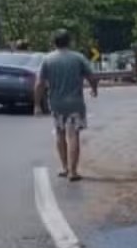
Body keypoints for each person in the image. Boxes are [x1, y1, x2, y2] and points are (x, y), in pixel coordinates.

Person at [34, 29, 99, 182]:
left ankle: (64, 167)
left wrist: (37, 104)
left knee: (60, 134)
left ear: (54, 42)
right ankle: (73, 171)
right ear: (69, 42)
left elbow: (39, 83)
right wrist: (94, 89)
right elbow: (91, 76)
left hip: (56, 104)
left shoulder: (48, 60)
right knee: (73, 135)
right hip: (75, 103)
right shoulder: (78, 58)